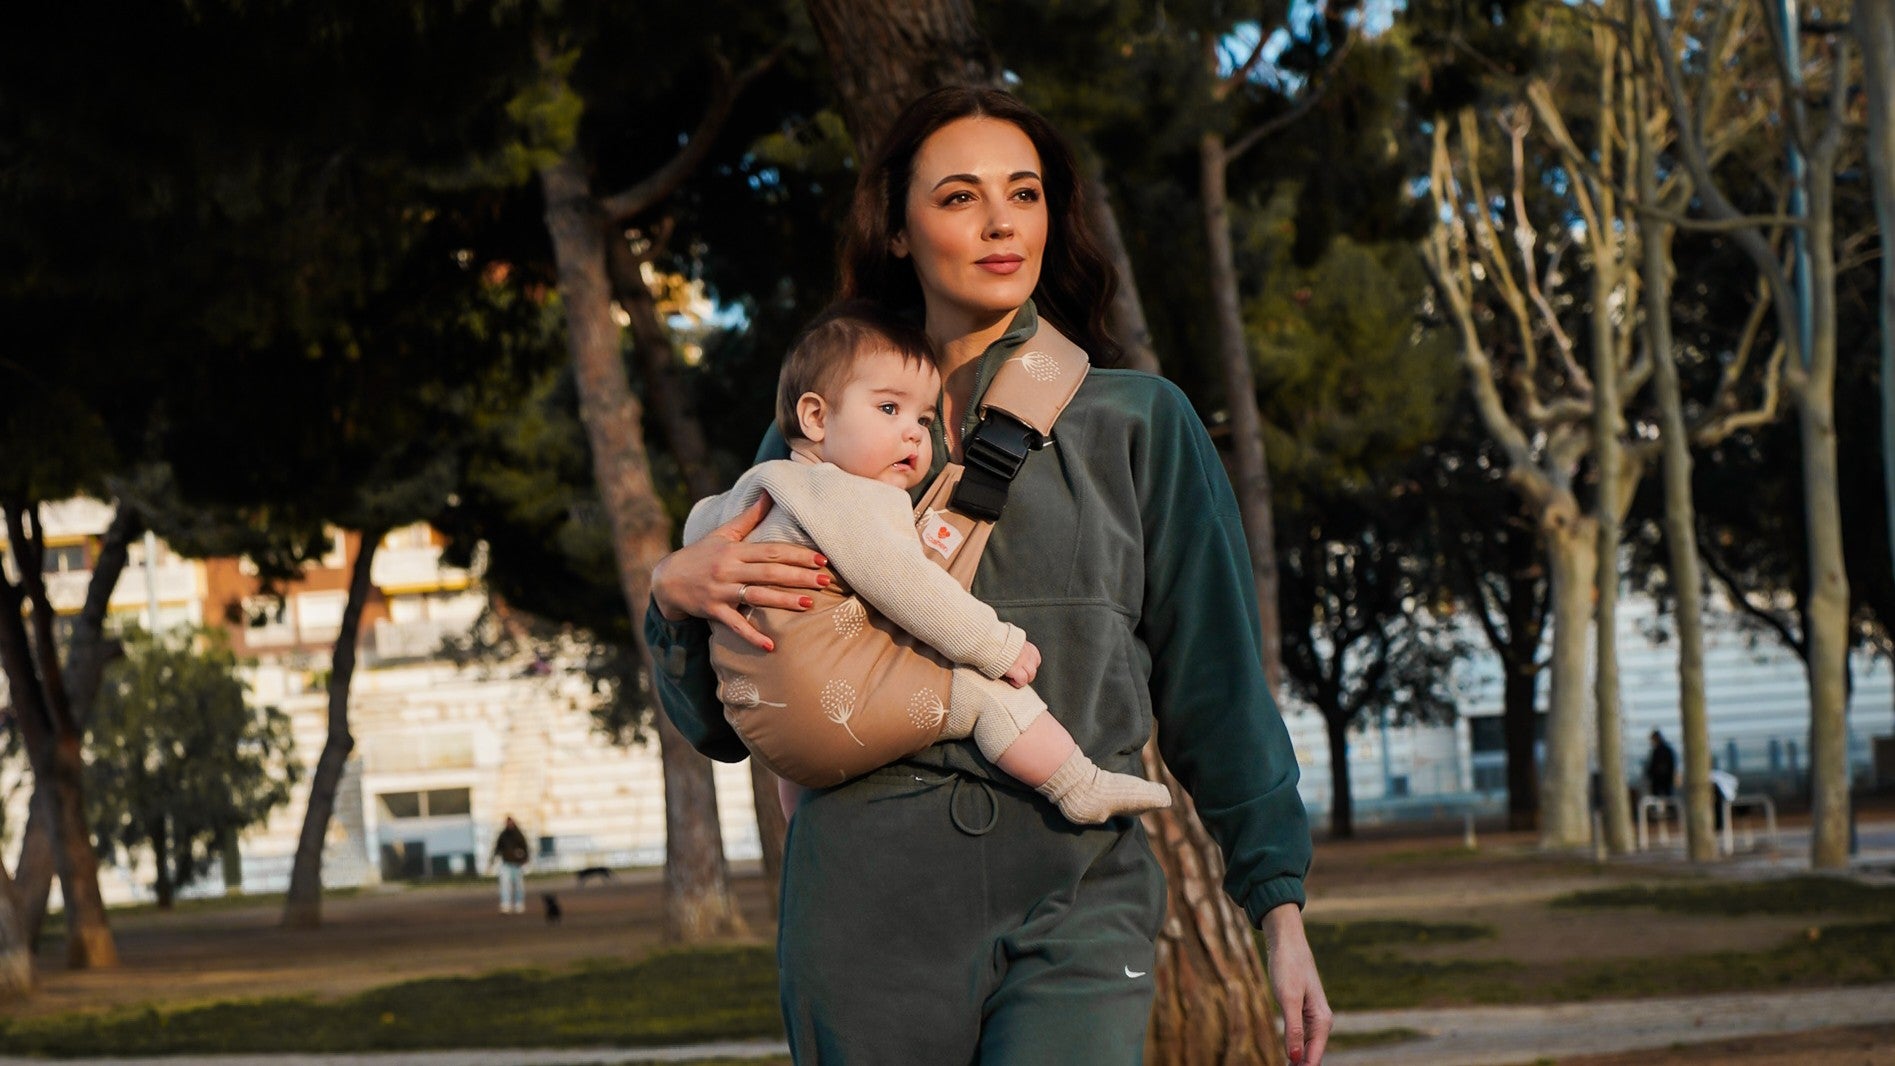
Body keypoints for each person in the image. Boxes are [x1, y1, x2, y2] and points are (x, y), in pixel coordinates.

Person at [647, 86, 1329, 1065]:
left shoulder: (1137, 423)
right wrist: (673, 602)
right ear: (896, 229)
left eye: (1024, 192)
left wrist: (1279, 908)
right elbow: (724, 717)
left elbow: (1215, 685)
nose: (1001, 221)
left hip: (1076, 894)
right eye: (959, 196)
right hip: (863, 903)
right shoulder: (811, 442)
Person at [685, 300, 1172, 825]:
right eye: (888, 409)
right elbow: (907, 586)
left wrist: (670, 575)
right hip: (826, 708)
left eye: (922, 417)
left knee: (805, 751)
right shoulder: (849, 494)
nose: (914, 433)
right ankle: (1079, 785)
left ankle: (799, 830)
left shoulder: (757, 489)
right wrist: (997, 646)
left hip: (762, 717)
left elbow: (696, 531)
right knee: (984, 693)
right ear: (816, 417)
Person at [489, 815, 529, 915]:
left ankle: (519, 904)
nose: (509, 824)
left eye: (511, 823)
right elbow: (497, 848)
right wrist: (492, 859)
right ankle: (505, 904)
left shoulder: (519, 835)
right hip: (506, 863)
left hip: (517, 864)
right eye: (508, 823)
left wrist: (525, 859)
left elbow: (525, 848)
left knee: (518, 885)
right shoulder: (503, 835)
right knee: (505, 885)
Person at [1645, 730, 1677, 800]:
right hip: (1666, 780)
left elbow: (1653, 765)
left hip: (1659, 780)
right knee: (1668, 797)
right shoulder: (1667, 750)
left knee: (1657, 798)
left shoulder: (1658, 751)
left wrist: (1650, 774)